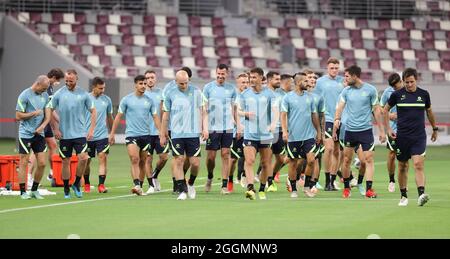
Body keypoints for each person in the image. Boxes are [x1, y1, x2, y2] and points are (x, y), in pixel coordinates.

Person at [384, 67, 438, 207]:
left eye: (411, 82)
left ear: (416, 80)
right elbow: (384, 110)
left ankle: (421, 195)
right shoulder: (397, 95)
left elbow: (430, 112)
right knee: (402, 166)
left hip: (419, 136)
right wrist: (388, 129)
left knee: (418, 164)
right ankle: (403, 196)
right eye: (406, 82)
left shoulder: (424, 94)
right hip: (402, 137)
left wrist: (434, 128)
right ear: (403, 81)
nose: (409, 85)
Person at [333, 65, 385, 199]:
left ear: (355, 76)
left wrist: (381, 130)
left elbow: (377, 111)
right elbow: (340, 106)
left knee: (368, 160)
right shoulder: (346, 91)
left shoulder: (370, 90)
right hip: (350, 130)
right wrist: (337, 119)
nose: (345, 79)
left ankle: (368, 190)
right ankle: (346, 188)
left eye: (347, 76)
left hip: (366, 131)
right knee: (346, 160)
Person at [160, 70, 208, 200]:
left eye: (186, 83)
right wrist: (162, 134)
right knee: (179, 160)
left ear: (189, 81)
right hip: (177, 133)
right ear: (176, 82)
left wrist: (205, 128)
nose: (184, 86)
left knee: (195, 163)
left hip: (193, 133)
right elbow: (165, 116)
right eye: (181, 84)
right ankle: (182, 190)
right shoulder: (170, 93)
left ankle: (191, 183)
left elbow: (204, 111)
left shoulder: (197, 92)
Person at [109, 75, 160, 196]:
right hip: (132, 135)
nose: (143, 86)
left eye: (145, 84)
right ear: (135, 84)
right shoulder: (126, 100)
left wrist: (161, 132)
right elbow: (118, 117)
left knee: (143, 162)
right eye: (141, 84)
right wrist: (112, 133)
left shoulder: (149, 101)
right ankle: (136, 184)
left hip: (146, 136)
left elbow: (155, 117)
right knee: (134, 159)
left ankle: (140, 187)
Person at [49, 69, 97, 199]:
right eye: (66, 81)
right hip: (64, 135)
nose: (68, 83)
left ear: (76, 79)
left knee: (84, 158)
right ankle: (66, 188)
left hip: (80, 133)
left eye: (71, 81)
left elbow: (93, 111)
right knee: (66, 161)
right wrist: (56, 129)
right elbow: (49, 109)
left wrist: (91, 130)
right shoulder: (59, 94)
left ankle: (76, 183)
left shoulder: (84, 94)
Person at [236, 67, 278, 200]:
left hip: (265, 134)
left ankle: (261, 188)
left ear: (261, 78)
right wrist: (245, 114)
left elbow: (276, 110)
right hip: (250, 133)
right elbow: (238, 110)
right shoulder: (245, 94)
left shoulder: (270, 94)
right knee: (250, 160)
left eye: (254, 77)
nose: (251, 80)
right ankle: (250, 188)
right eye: (250, 77)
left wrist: (273, 124)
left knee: (266, 163)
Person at [281, 72, 321, 198]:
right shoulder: (287, 98)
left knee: (311, 160)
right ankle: (293, 189)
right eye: (305, 81)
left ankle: (307, 187)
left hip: (308, 136)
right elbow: (283, 115)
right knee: (293, 163)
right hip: (294, 137)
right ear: (298, 82)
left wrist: (319, 131)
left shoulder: (310, 98)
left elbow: (314, 115)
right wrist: (284, 131)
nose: (307, 83)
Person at [26, 68, 64, 186]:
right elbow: (49, 110)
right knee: (35, 149)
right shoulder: (46, 87)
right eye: (57, 80)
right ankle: (28, 177)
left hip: (45, 121)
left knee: (52, 145)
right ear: (53, 77)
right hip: (40, 122)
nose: (58, 82)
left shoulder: (50, 87)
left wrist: (60, 122)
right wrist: (57, 127)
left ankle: (53, 173)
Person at [15, 75, 51, 199]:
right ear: (38, 84)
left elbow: (48, 115)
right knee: (24, 162)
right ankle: (23, 192)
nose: (45, 91)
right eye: (44, 88)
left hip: (39, 134)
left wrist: (43, 126)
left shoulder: (45, 96)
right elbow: (18, 115)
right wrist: (33, 114)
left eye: (46, 89)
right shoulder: (24, 95)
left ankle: (34, 190)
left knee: (42, 163)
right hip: (25, 134)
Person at [203, 64, 237, 194]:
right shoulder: (208, 88)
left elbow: (234, 108)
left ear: (227, 74)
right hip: (212, 128)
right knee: (211, 157)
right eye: (218, 73)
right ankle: (210, 176)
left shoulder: (231, 89)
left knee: (225, 154)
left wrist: (237, 125)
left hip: (227, 127)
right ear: (215, 72)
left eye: (223, 74)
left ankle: (224, 186)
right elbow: (204, 109)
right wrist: (204, 128)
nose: (220, 76)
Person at [314, 57, 344, 191]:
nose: (334, 70)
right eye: (332, 68)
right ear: (327, 68)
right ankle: (326, 180)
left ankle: (332, 180)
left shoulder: (343, 82)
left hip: (341, 119)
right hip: (326, 119)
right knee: (329, 148)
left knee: (337, 151)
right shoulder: (320, 82)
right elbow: (315, 100)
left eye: (336, 68)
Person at [83, 77, 113, 194]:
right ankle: (86, 183)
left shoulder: (107, 100)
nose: (102, 90)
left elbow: (110, 117)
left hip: (102, 135)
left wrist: (112, 133)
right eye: (100, 88)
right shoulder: (85, 98)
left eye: (104, 88)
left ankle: (101, 185)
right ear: (94, 87)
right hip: (87, 136)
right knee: (86, 161)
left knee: (103, 157)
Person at [144, 70, 169, 194]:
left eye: (152, 77)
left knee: (164, 157)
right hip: (146, 133)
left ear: (156, 79)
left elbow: (165, 112)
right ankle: (151, 185)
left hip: (159, 132)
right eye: (147, 78)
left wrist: (164, 130)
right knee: (147, 159)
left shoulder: (162, 94)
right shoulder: (141, 94)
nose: (150, 80)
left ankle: (154, 175)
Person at [380, 73, 403, 193]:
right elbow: (380, 108)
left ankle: (402, 182)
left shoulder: (409, 90)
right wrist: (390, 115)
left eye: (396, 85)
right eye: (392, 86)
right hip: (393, 128)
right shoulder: (388, 92)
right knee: (392, 154)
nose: (394, 88)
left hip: (406, 129)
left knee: (404, 158)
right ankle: (392, 180)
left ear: (401, 81)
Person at [304, 70, 325, 192]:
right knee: (298, 160)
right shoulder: (297, 95)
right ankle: (293, 179)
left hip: (314, 133)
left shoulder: (318, 97)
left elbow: (322, 115)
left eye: (314, 77)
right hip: (300, 133)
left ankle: (313, 184)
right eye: (310, 77)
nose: (313, 79)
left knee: (316, 158)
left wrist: (321, 132)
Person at [229, 73, 249, 189]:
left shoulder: (250, 96)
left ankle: (244, 176)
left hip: (249, 132)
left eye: (247, 82)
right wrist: (238, 126)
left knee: (248, 157)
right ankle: (230, 180)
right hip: (236, 132)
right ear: (237, 83)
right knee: (233, 160)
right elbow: (232, 113)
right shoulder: (234, 96)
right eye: (243, 82)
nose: (245, 85)